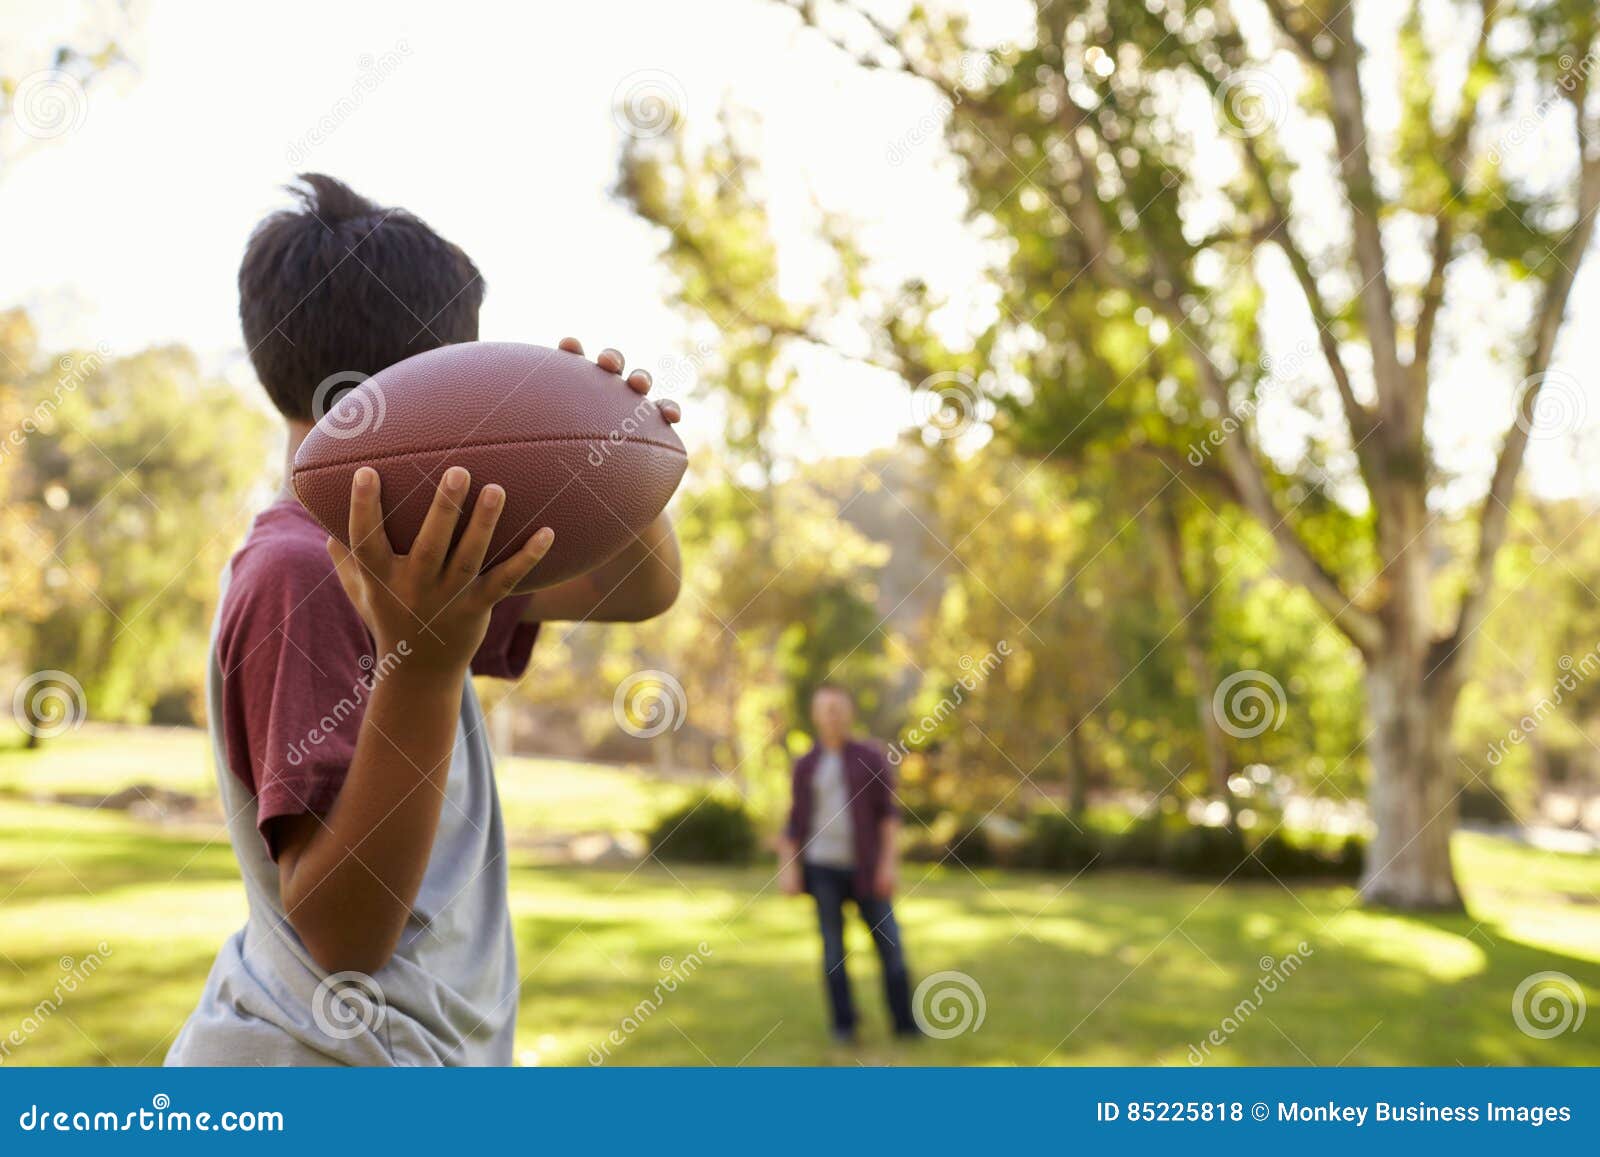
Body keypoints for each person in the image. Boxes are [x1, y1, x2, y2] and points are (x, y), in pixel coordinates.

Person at [167, 174, 683, 1065]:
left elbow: (638, 591)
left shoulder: (428, 552)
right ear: (440, 380)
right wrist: (429, 667)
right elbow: (341, 940)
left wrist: (616, 450)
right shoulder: (298, 568)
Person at [779, 684, 919, 1042]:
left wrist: (889, 865)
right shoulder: (806, 765)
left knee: (891, 948)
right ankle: (844, 1026)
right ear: (815, 715)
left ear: (849, 713)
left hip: (867, 869)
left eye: (838, 708)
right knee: (833, 952)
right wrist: (789, 868)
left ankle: (905, 1026)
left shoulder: (870, 758)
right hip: (821, 868)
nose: (833, 715)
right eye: (826, 708)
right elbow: (794, 822)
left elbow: (888, 817)